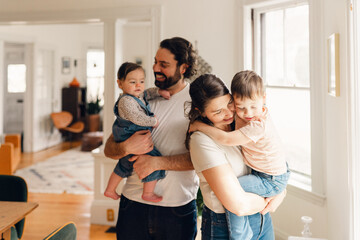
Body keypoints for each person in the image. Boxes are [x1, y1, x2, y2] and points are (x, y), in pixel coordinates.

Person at [104, 37, 199, 240]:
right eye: (155, 62)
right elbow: (109, 148)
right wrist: (126, 147)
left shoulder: (198, 101)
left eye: (163, 64)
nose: (155, 68)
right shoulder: (139, 99)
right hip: (132, 205)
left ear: (183, 67)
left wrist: (156, 162)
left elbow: (204, 158)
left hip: (177, 209)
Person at [189, 70, 290, 239]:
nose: (229, 113)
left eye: (229, 104)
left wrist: (280, 192)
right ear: (202, 112)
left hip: (261, 219)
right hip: (225, 224)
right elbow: (238, 205)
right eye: (218, 112)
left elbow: (273, 155)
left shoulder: (246, 119)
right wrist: (269, 201)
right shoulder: (202, 141)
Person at [104, 62, 172, 203]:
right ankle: (148, 192)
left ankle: (110, 190)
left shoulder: (137, 95)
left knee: (124, 165)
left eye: (141, 81)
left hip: (127, 137)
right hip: (130, 136)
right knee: (154, 158)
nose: (138, 85)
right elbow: (137, 118)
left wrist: (159, 92)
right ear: (120, 83)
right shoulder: (126, 102)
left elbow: (147, 93)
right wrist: (152, 121)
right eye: (133, 82)